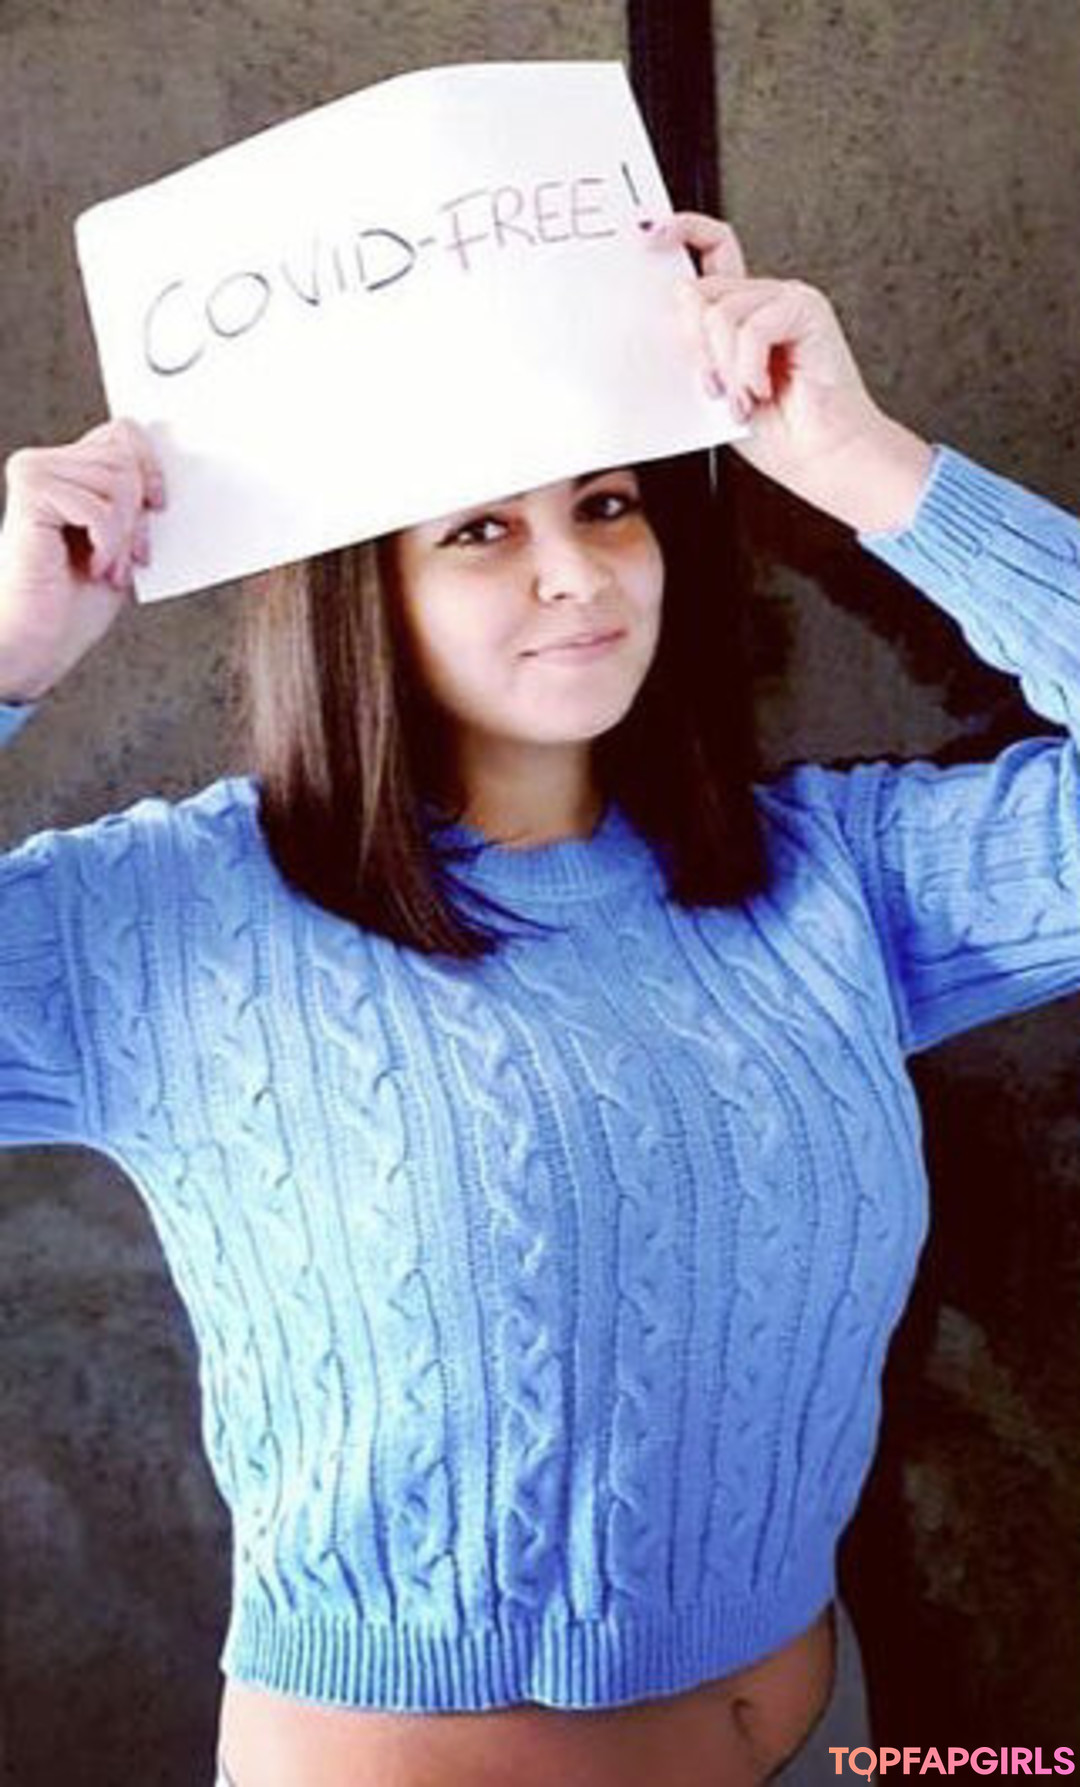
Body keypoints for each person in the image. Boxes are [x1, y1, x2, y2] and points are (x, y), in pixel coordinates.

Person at [0, 209, 1077, 1787]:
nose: (577, 575)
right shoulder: (170, 919)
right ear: (359, 585)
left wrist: (868, 468)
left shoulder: (832, 877)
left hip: (830, 1740)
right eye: (481, 531)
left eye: (608, 505)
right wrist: (8, 656)